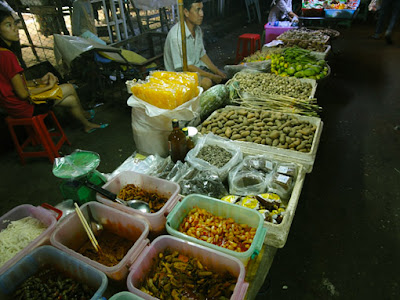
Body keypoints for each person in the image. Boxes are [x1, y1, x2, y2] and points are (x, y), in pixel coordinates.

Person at [0, 9, 108, 133]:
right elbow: (23, 94)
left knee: (71, 100)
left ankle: (86, 124)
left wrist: (38, 81)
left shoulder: (3, 53)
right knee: (69, 87)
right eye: (8, 25)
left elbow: (14, 85)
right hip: (24, 107)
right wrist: (49, 86)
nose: (15, 29)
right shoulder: (7, 56)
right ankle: (85, 116)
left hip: (11, 107)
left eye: (14, 24)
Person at [163, 0, 227, 91]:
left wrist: (217, 71)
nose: (201, 14)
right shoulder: (177, 36)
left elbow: (202, 55)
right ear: (186, 12)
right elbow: (188, 67)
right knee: (207, 83)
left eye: (202, 9)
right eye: (197, 10)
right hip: (179, 76)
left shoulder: (197, 30)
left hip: (196, 70)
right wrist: (212, 76)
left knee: (223, 75)